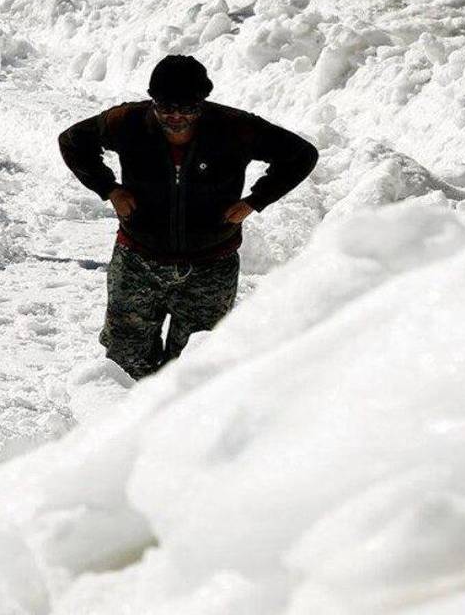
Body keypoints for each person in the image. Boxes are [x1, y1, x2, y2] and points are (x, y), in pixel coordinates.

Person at [58, 54, 318, 380]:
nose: (176, 117)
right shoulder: (129, 122)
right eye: (166, 108)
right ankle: (130, 427)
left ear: (202, 103)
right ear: (153, 101)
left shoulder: (234, 128)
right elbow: (73, 141)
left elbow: (301, 155)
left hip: (210, 268)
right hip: (138, 261)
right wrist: (109, 188)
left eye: (187, 109)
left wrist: (256, 200)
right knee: (125, 364)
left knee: (194, 371)